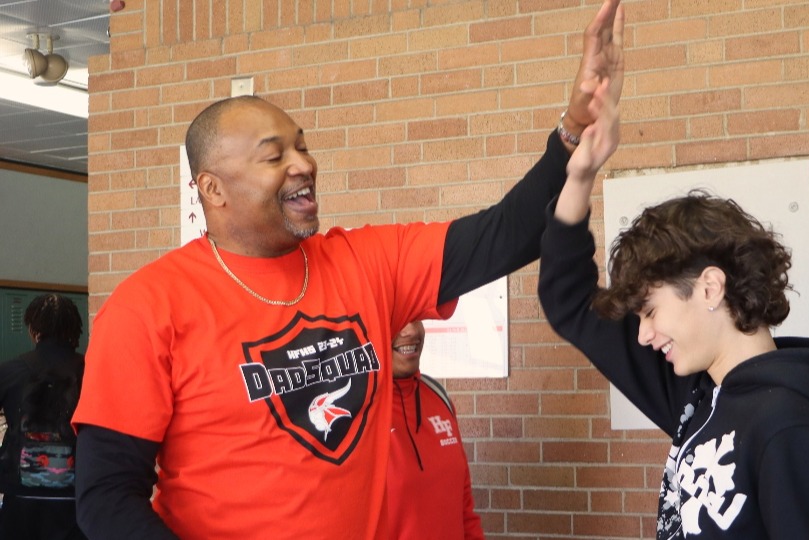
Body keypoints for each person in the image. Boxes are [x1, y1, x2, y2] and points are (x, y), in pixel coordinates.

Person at [71, 1, 624, 538]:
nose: (304, 163)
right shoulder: (148, 307)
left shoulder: (364, 262)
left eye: (303, 147)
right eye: (274, 156)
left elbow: (506, 236)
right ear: (212, 189)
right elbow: (108, 496)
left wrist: (573, 128)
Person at [537, 185, 809, 538]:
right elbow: (570, 301)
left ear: (710, 288)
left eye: (649, 312)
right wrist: (581, 173)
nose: (642, 334)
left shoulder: (793, 430)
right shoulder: (700, 395)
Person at [0, 293, 87, 540]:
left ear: (32, 329)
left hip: (21, 501)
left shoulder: (9, 371)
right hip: (79, 499)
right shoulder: (93, 372)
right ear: (74, 329)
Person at [387, 321, 483, 539]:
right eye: (398, 318)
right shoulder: (356, 414)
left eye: (416, 317)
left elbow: (464, 506)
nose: (411, 331)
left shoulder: (438, 396)